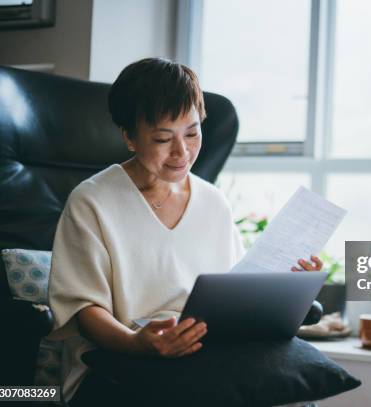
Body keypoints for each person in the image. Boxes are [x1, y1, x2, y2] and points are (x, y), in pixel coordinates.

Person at [47, 57, 323, 405]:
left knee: (294, 388)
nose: (182, 152)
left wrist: (288, 285)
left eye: (192, 133)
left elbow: (235, 297)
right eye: (163, 138)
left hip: (210, 355)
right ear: (130, 137)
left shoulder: (213, 202)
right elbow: (84, 311)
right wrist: (137, 343)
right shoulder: (92, 202)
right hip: (119, 361)